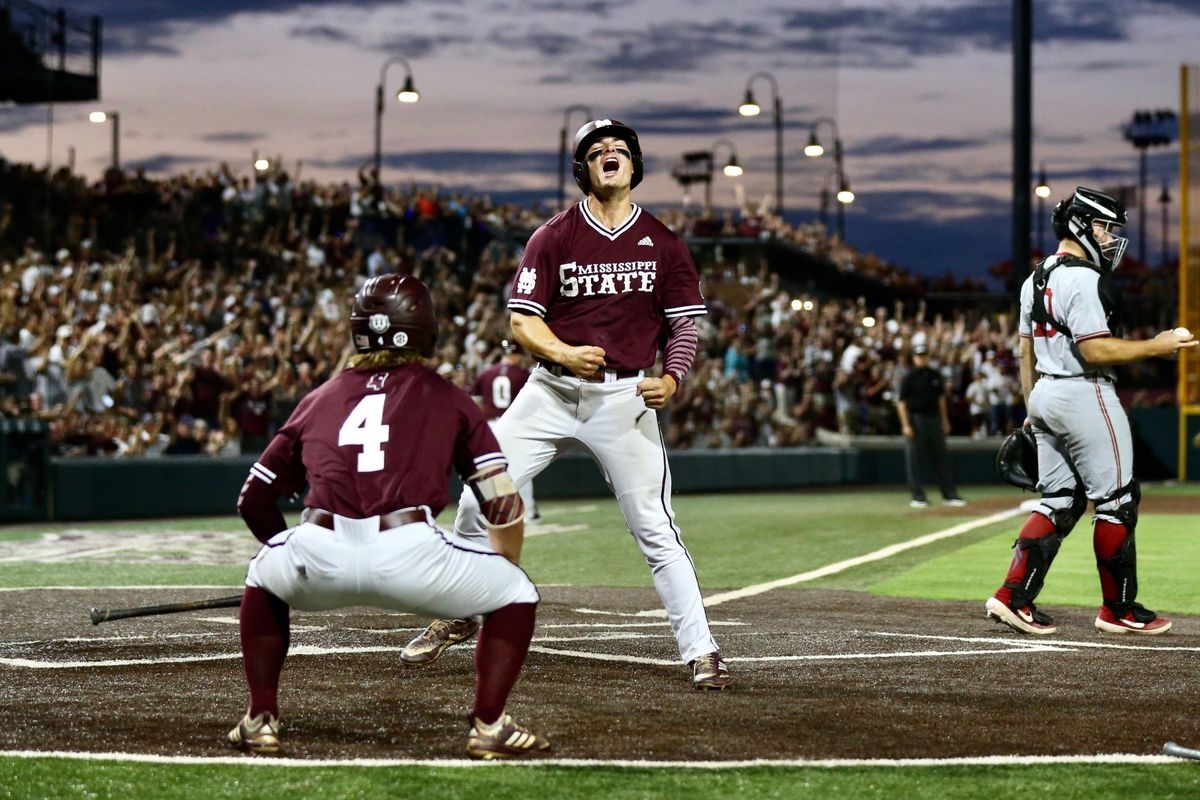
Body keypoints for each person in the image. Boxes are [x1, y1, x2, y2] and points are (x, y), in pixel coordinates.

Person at [401, 118, 731, 691]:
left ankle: (701, 649)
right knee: (481, 495)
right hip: (551, 389)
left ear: (635, 165)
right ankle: (459, 609)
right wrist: (564, 352)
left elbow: (683, 328)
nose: (609, 155)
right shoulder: (552, 236)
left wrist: (673, 379)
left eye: (619, 150)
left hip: (624, 397)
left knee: (654, 527)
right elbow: (522, 322)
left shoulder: (665, 243)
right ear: (581, 170)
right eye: (596, 151)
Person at [227, 274, 549, 760]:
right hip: (411, 552)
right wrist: (505, 572)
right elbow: (502, 505)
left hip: (319, 546)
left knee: (262, 573)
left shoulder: (319, 398)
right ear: (425, 329)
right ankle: (488, 726)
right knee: (517, 592)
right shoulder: (448, 397)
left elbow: (252, 499)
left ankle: (260, 720)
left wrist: (290, 564)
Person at [984, 186, 1196, 636]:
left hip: (1044, 392)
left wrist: (1030, 407)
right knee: (1117, 501)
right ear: (1081, 224)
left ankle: (1011, 596)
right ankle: (1117, 610)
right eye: (1103, 227)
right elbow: (1096, 350)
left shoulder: (1035, 277)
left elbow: (1024, 352)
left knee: (1059, 502)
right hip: (1085, 392)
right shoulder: (1083, 278)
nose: (1109, 237)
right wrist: (1156, 346)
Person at [471, 339, 538, 521]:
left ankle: (484, 512)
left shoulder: (486, 373)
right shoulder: (523, 374)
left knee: (489, 469)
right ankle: (528, 513)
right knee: (521, 467)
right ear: (516, 354)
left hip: (491, 426)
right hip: (514, 425)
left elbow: (476, 402)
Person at [896, 343, 966, 508]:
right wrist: (905, 424)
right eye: (919, 356)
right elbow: (901, 403)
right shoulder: (909, 377)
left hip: (934, 419)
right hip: (916, 419)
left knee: (942, 458)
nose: (922, 358)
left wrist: (945, 420)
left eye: (924, 355)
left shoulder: (935, 375)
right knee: (914, 459)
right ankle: (917, 496)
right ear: (914, 358)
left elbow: (941, 399)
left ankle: (949, 494)